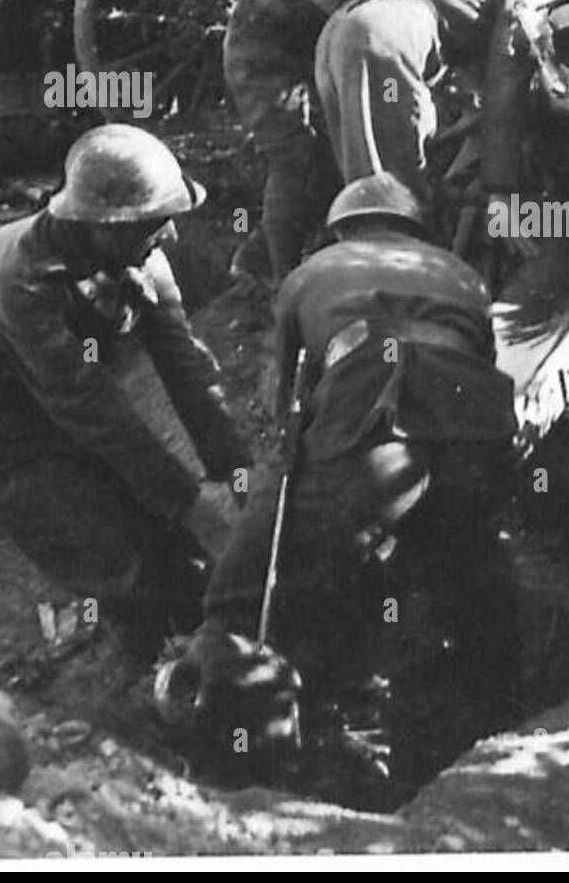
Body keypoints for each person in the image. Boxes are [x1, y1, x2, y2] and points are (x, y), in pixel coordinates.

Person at [180, 174, 521, 793]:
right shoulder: (463, 276)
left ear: (339, 229)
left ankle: (246, 738)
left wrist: (285, 498)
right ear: (415, 228)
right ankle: (493, 717)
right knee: (466, 566)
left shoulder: (310, 274)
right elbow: (482, 365)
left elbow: (285, 408)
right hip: (482, 436)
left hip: (373, 418)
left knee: (249, 590)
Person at [0, 124, 251, 664]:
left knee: (168, 529)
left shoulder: (139, 256)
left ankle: (194, 625)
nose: (168, 235)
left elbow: (186, 370)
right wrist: (196, 507)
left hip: (54, 401)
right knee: (116, 554)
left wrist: (237, 473)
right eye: (153, 222)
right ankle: (151, 666)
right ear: (98, 225)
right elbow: (94, 412)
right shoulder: (20, 279)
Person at [314, 0, 569, 214]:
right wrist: (501, 189)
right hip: (385, 42)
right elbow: (507, 81)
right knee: (393, 206)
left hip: (342, 30)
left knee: (362, 195)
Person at [223, 0, 399, 285]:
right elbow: (350, 1)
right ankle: (282, 281)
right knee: (294, 157)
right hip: (261, 55)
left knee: (328, 154)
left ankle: (258, 258)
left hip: (309, 49)